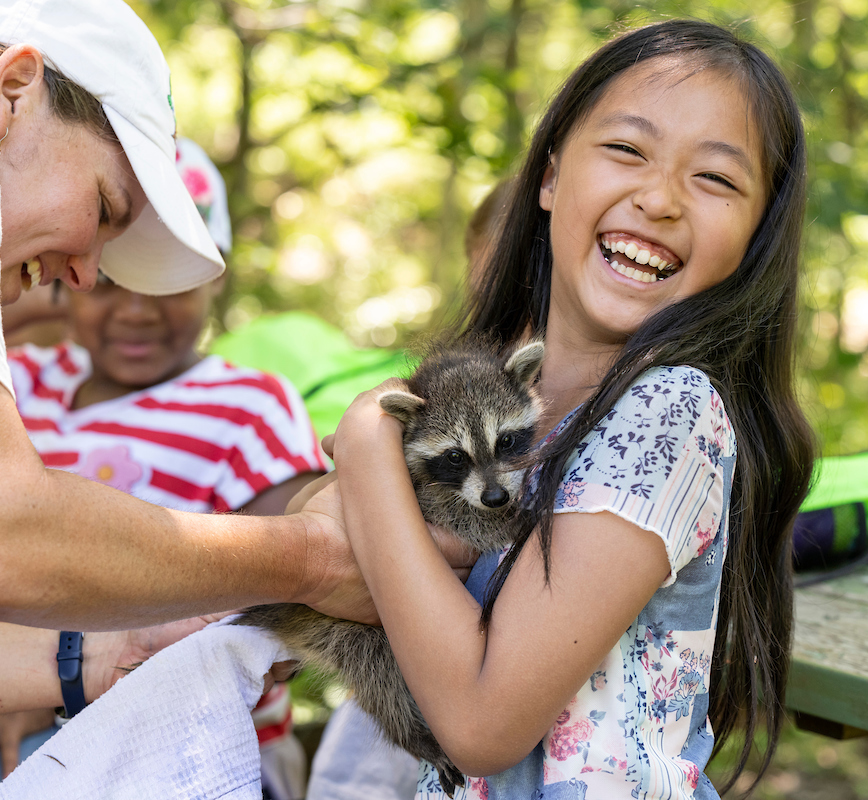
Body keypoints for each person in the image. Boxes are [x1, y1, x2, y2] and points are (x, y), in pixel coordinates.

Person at [0, 0, 394, 732]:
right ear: (14, 90)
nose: (82, 277)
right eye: (105, 207)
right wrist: (314, 558)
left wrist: (101, 659)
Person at [330, 19, 815, 799]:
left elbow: (483, 726)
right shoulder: (517, 404)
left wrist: (364, 449)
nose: (658, 198)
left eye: (716, 179)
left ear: (757, 235)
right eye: (627, 150)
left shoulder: (670, 409)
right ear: (549, 178)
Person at [0, 138, 318, 800]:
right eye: (114, 282)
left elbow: (284, 595)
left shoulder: (248, 406)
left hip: (164, 720)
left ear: (216, 279)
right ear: (73, 278)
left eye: (172, 285)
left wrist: (44, 688)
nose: (136, 309)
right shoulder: (19, 380)